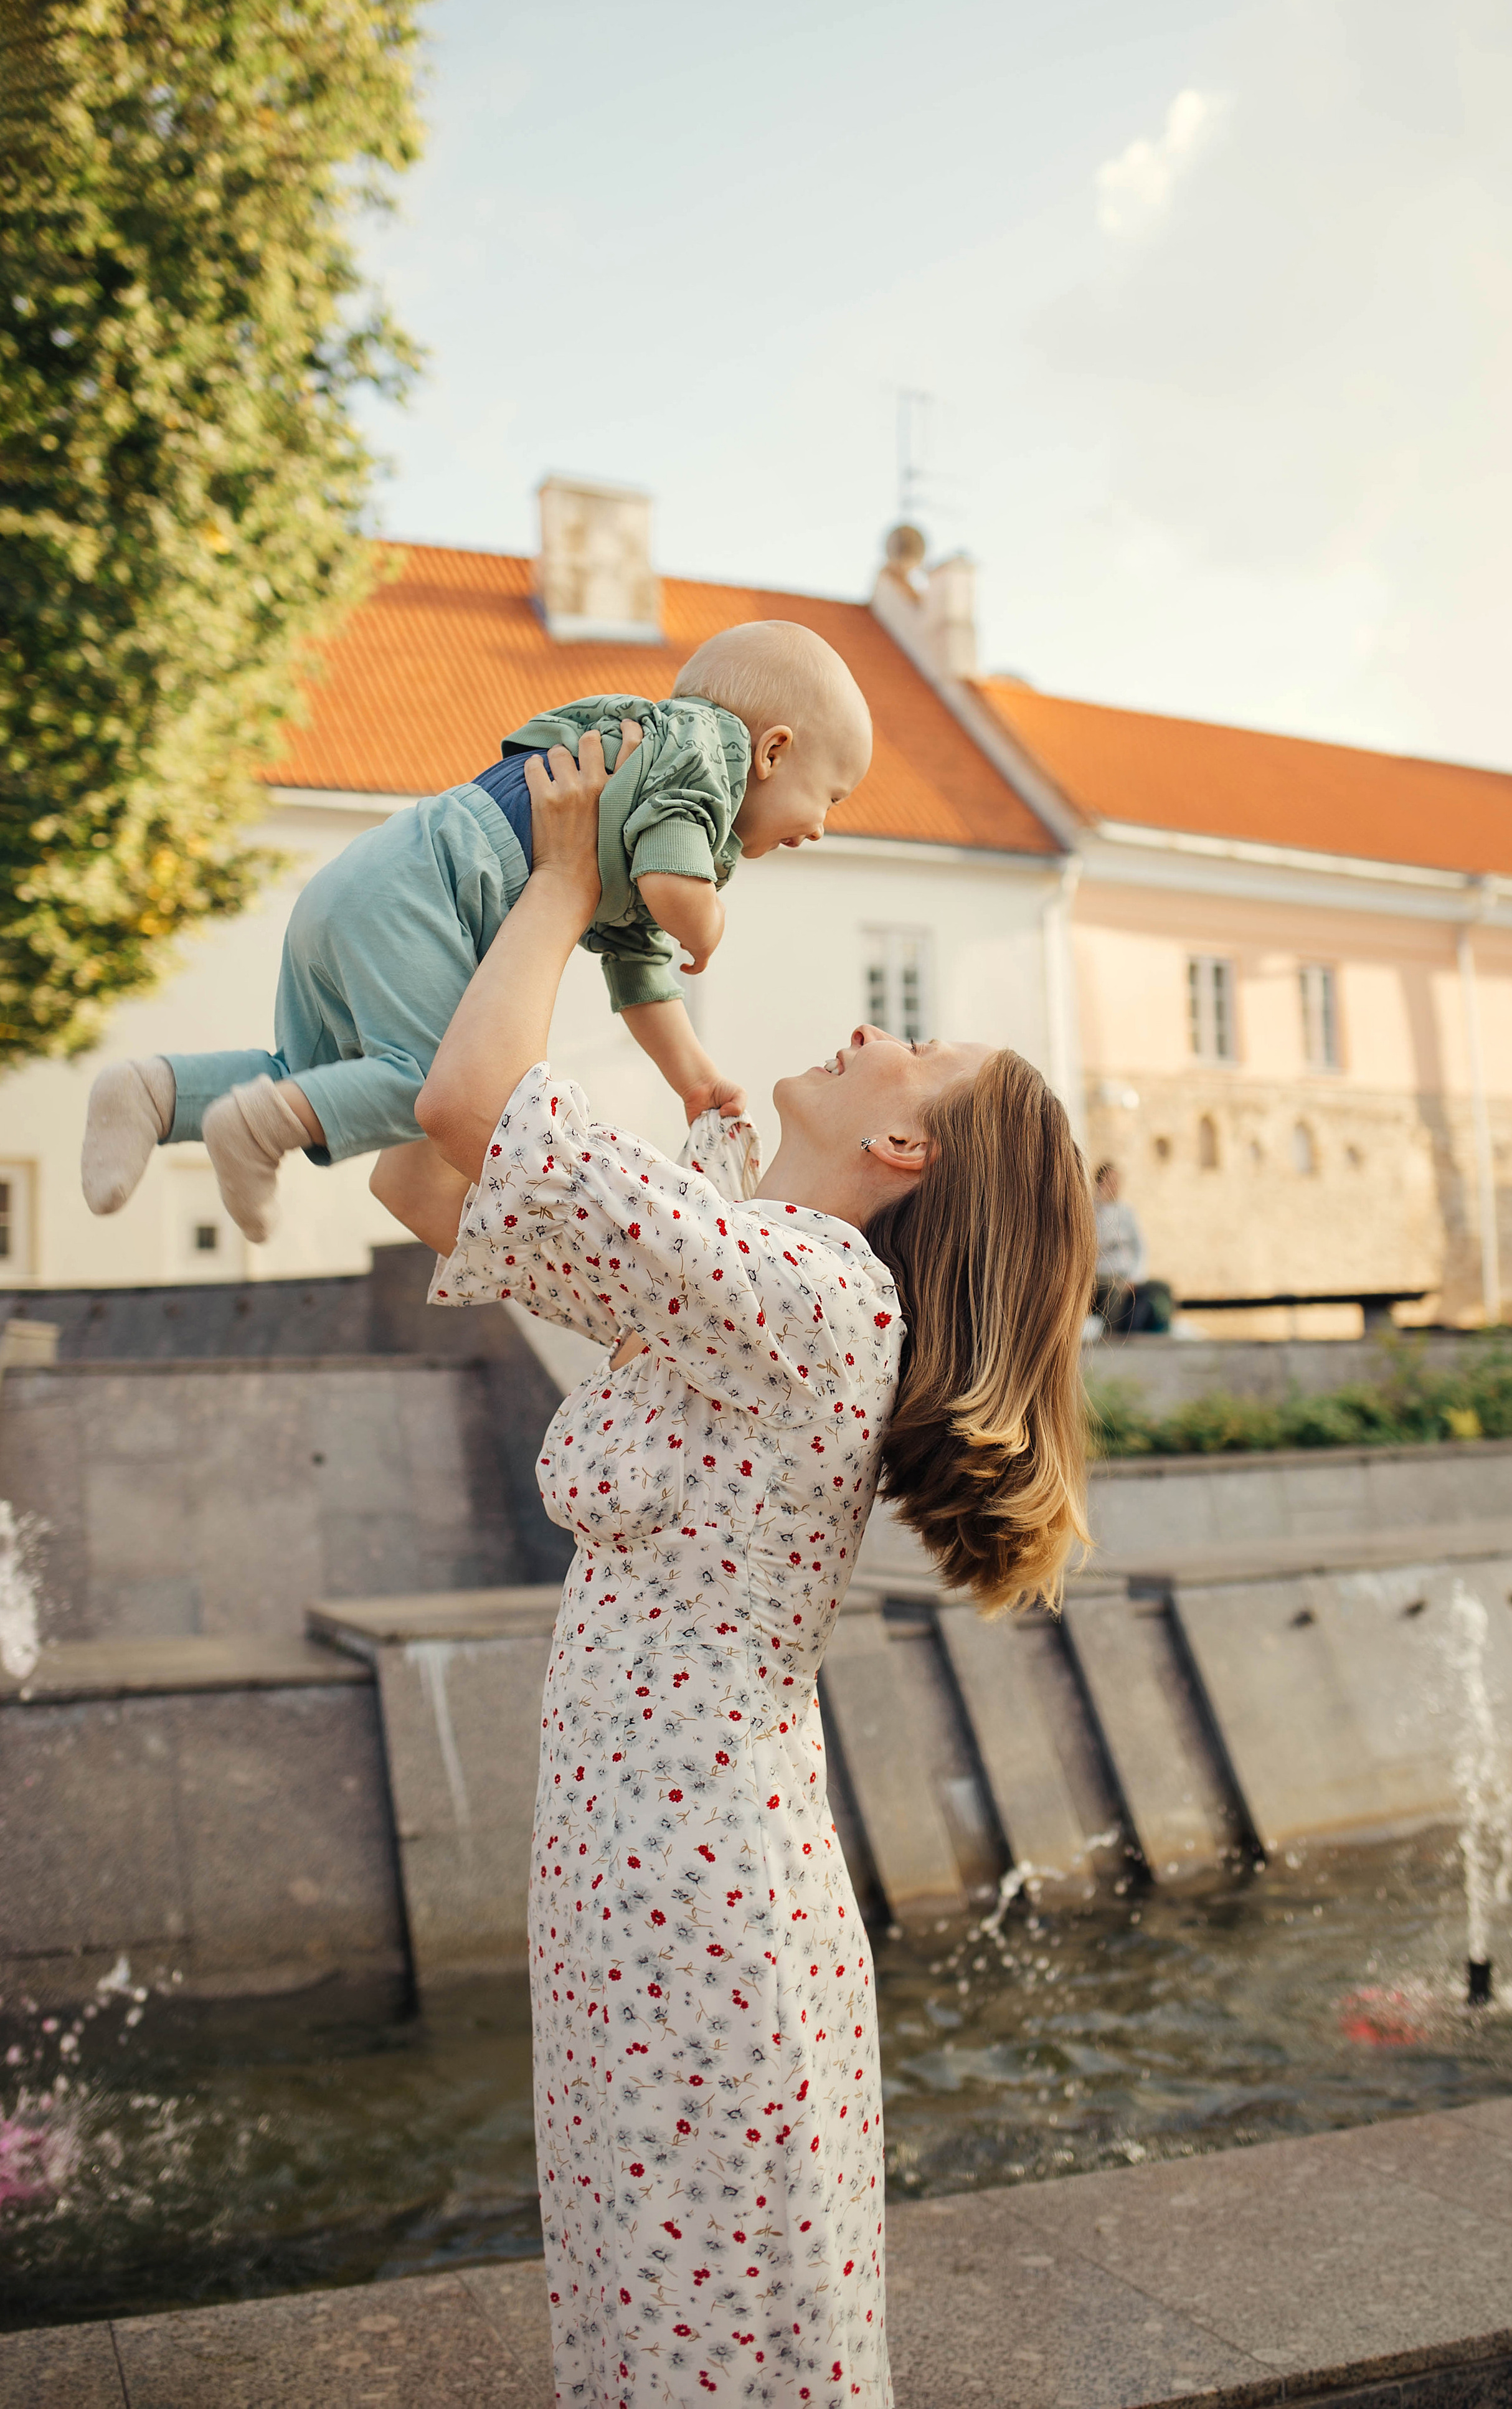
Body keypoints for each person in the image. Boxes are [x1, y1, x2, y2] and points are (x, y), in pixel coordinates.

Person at [369, 726, 1097, 2407]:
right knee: (657, 2315)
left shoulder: (825, 1298)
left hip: (700, 1892)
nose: (866, 1029)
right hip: (637, 1874)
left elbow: (471, 1106)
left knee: (719, 2342)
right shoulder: (756, 1254)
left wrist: (559, 876)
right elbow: (427, 1169)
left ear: (908, 1153)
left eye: (909, 1046)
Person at [79, 620, 872, 1242]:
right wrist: (708, 926)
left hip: (366, 881)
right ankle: (255, 1132)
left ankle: (153, 1092)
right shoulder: (709, 753)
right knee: (432, 1082)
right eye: (830, 800)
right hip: (428, 895)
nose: (819, 831)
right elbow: (673, 892)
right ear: (773, 750)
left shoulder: (649, 791)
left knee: (309, 1070)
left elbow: (639, 970)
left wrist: (694, 1078)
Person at [1092, 1160, 1171, 1336]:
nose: (1114, 1187)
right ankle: (1111, 1336)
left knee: (1163, 1288)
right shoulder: (1092, 1211)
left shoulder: (1126, 1212)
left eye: (1117, 1182)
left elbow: (1140, 1247)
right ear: (1100, 1183)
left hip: (1127, 1274)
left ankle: (1161, 1333)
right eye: (1110, 1182)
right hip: (1102, 1274)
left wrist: (1135, 1276)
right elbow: (1096, 1244)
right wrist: (1100, 1200)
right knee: (1115, 1288)